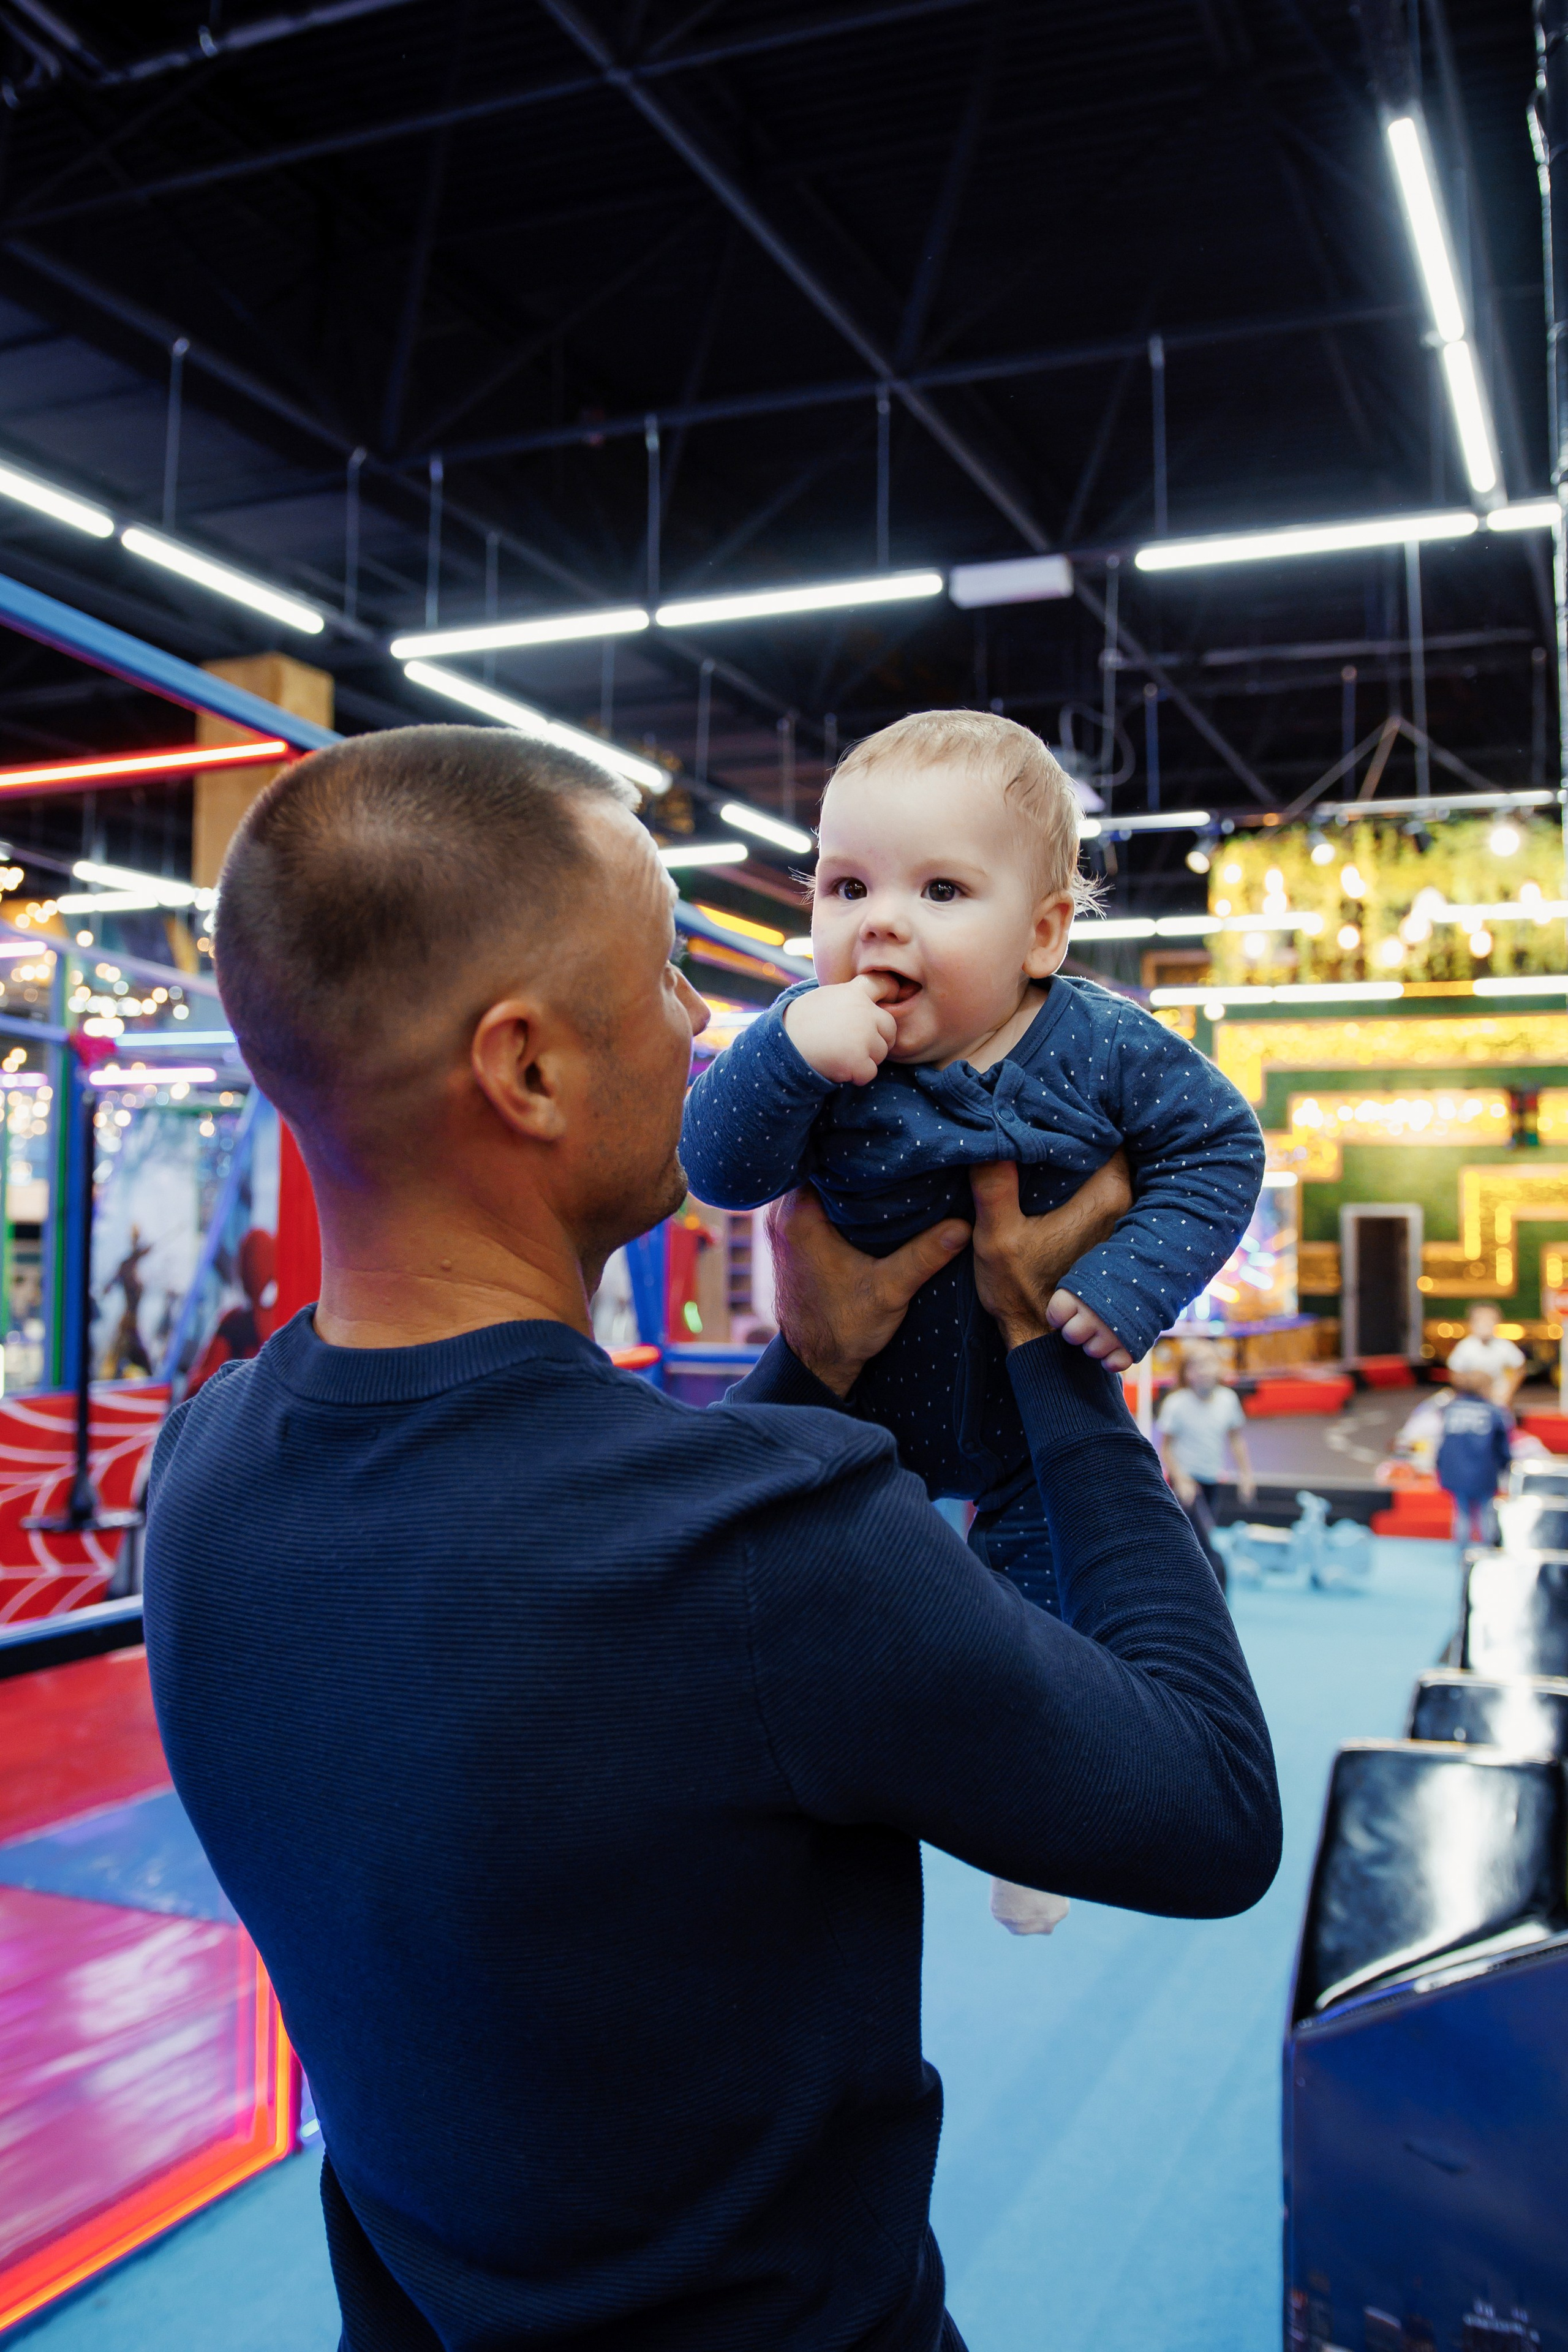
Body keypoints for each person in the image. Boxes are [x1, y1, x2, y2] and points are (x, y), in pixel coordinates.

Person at [143, 726, 1281, 2352]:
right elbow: (1212, 1811)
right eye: (664, 975)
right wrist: (1051, 1346)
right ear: (528, 1068)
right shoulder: (782, 1557)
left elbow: (587, 1598)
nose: (701, 1022)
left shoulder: (202, 1482)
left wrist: (821, 1356)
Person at [680, 708, 1265, 1626]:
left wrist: (1130, 1281)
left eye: (941, 891)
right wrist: (785, 1051)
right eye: (845, 887)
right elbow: (718, 1171)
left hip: (1038, 1423)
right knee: (842, 1627)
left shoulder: (1100, 1045)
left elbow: (1219, 1146)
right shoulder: (816, 1040)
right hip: (854, 1417)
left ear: (1041, 935)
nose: (879, 923)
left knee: (1048, 1654)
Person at [1156, 1340, 1256, 1593]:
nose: (1204, 1371)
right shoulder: (1177, 1403)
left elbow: (1236, 1440)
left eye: (1210, 1364)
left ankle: (1193, 1589)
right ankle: (1216, 1590)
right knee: (1201, 1541)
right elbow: (1166, 1448)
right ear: (1186, 1372)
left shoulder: (1227, 1400)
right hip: (1187, 1483)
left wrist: (1246, 1476)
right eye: (1197, 1366)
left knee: (1203, 1535)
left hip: (1211, 1479)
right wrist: (1180, 1479)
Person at [1436, 1365, 1514, 1548]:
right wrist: (1506, 1466)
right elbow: (1503, 1445)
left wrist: (1439, 1466)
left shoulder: (1451, 1409)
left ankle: (1463, 1555)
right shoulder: (1494, 1411)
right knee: (1487, 1513)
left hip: (1456, 1472)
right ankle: (1488, 1553)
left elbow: (1443, 1443)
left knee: (1462, 1514)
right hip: (1484, 1471)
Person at [1446, 1300, 1527, 1408]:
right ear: (1471, 1323)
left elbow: (1519, 1369)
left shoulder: (1504, 1346)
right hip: (1471, 1400)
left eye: (1490, 1320)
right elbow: (1455, 1374)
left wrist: (1507, 1393)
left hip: (1498, 1400)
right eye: (1480, 1320)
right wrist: (1472, 1384)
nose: (1485, 1324)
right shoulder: (1465, 1347)